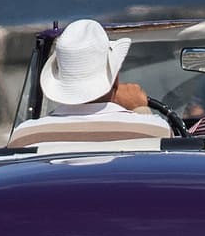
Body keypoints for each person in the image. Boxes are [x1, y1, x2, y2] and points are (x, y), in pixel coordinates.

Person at [9, 19, 171, 147]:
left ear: (59, 81)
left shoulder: (25, 137)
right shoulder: (155, 130)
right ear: (115, 79)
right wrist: (140, 109)